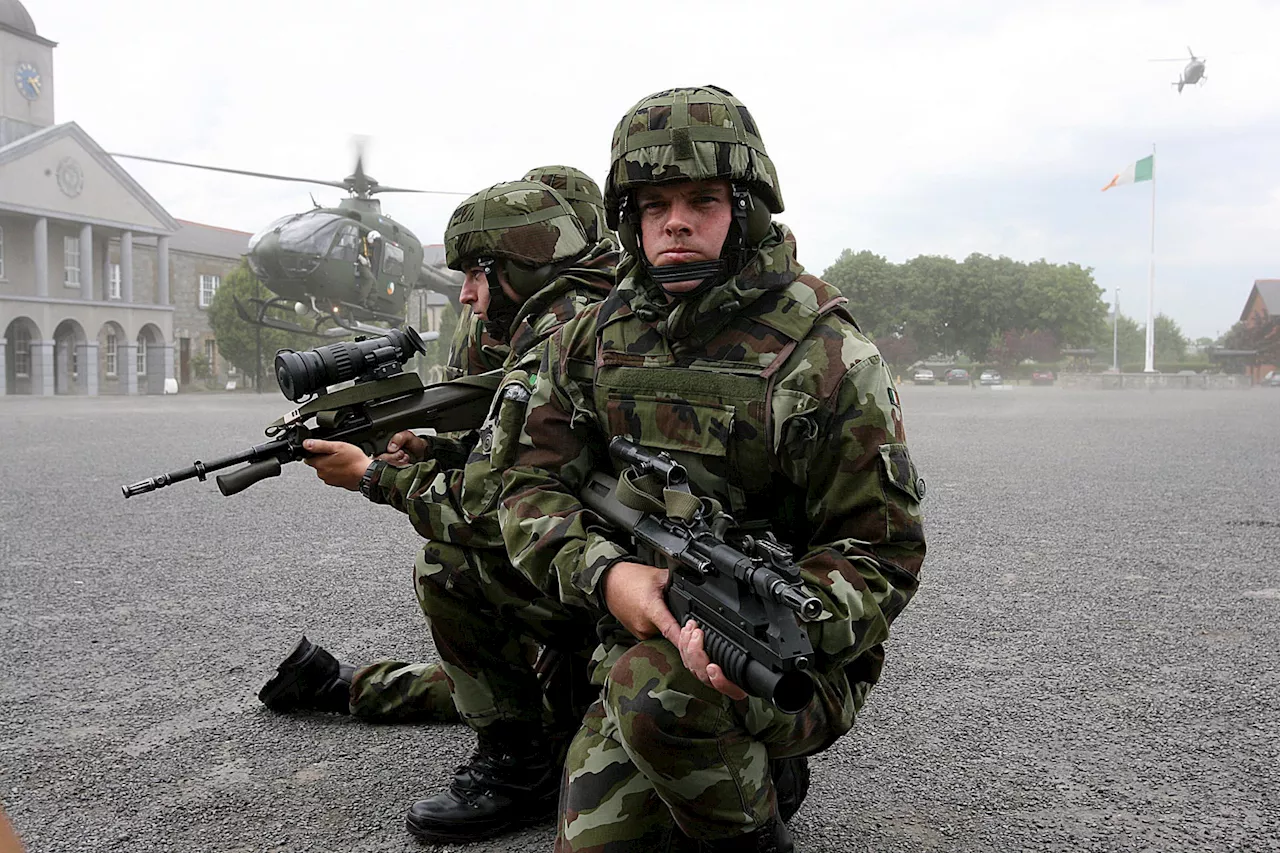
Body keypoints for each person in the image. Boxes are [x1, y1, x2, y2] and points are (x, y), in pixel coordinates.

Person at [498, 85, 927, 852]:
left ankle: (756, 810)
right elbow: (526, 485)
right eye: (654, 203)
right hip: (635, 626)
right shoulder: (591, 338)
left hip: (787, 654)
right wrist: (605, 575)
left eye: (703, 198)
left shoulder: (824, 351)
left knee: (660, 696)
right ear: (629, 218)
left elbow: (882, 550)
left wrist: (780, 627)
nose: (677, 221)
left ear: (747, 207)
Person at [275, 179, 618, 843]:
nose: (463, 293)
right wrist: (439, 444)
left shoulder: (551, 339)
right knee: (497, 667)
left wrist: (373, 474)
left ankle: (520, 771)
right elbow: (541, 451)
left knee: (448, 567)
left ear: (517, 269)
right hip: (611, 565)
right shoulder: (590, 310)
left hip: (606, 583)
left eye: (475, 274)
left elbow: (496, 509)